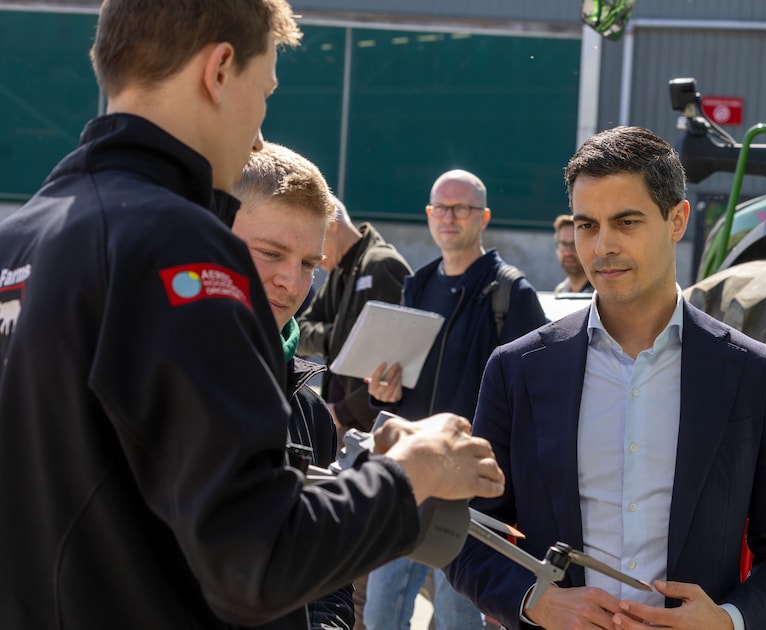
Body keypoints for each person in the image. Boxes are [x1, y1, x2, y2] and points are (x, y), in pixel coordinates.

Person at [0, 2, 503, 628]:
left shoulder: (20, 240)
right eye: (264, 93)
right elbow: (259, 560)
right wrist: (414, 471)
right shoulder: (175, 246)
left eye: (309, 264)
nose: (261, 134)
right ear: (219, 70)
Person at [444, 126, 766, 630]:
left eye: (626, 222)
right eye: (587, 225)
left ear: (677, 219)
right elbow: (465, 533)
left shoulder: (752, 374)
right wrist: (533, 600)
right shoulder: (517, 371)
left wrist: (729, 621)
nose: (602, 247)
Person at [364, 169, 547, 630]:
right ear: (428, 215)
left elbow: (533, 394)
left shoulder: (510, 291)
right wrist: (383, 393)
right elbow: (405, 378)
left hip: (468, 486)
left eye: (460, 208)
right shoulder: (417, 284)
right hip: (410, 475)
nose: (449, 217)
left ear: (482, 217)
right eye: (440, 208)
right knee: (379, 612)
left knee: (455, 619)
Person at [230, 141, 353, 629]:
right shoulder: (152, 379)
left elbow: (329, 578)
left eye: (309, 264)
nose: (291, 281)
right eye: (270, 253)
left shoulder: (311, 413)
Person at [297, 196, 413, 432]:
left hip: (368, 427)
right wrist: (333, 337)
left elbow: (399, 359)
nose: (312, 252)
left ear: (332, 225)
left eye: (314, 238)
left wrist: (343, 412)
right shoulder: (337, 273)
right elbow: (302, 330)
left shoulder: (382, 265)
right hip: (339, 420)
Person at [553, 213, 593, 294]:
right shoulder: (560, 291)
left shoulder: (601, 295)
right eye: (563, 244)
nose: (568, 253)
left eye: (574, 244)